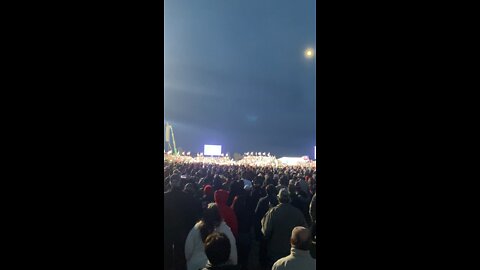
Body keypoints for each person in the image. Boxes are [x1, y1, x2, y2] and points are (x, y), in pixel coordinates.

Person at [261, 188, 306, 268]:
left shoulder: (273, 212)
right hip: (291, 251)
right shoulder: (297, 213)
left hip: (275, 250)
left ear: (278, 198)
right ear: (289, 199)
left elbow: (266, 232)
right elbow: (304, 232)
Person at [185, 203, 238, 270]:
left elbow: (188, 250)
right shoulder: (225, 230)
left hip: (195, 265)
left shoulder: (196, 228)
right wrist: (234, 264)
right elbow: (232, 250)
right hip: (220, 265)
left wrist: (189, 261)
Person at [164, 174, 199, 270]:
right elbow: (191, 214)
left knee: (167, 253)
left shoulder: (166, 196)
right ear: (180, 183)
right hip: (182, 229)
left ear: (170, 183)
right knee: (180, 252)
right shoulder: (186, 197)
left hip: (167, 229)